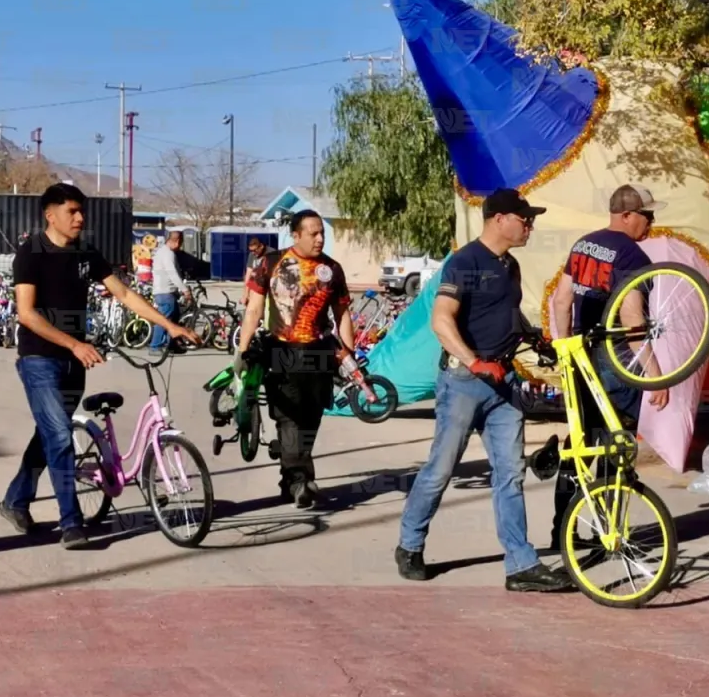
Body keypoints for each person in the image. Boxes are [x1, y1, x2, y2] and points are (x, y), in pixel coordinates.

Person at [0, 183, 201, 549]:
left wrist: (169, 325)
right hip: (39, 358)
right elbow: (26, 314)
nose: (80, 218)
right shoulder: (31, 253)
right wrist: (75, 344)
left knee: (48, 436)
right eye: (72, 211)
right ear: (51, 214)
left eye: (81, 211)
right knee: (60, 436)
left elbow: (123, 294)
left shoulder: (86, 253)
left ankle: (15, 500)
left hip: (74, 362)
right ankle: (72, 523)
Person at [395, 188, 573, 593]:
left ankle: (521, 565)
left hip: (502, 385)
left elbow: (505, 316)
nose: (530, 225)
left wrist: (533, 339)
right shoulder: (465, 262)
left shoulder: (509, 266)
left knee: (510, 474)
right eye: (524, 218)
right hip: (463, 382)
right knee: (440, 470)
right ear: (498, 219)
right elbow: (442, 321)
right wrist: (475, 361)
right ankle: (409, 544)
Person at [548, 184, 668, 547]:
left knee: (581, 441)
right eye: (648, 216)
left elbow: (561, 301)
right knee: (617, 442)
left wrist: (566, 348)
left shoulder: (583, 244)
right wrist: (656, 375)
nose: (651, 223)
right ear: (628, 215)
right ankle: (610, 531)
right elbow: (632, 322)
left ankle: (563, 531)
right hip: (615, 357)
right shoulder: (633, 257)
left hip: (581, 352)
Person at [236, 210, 356, 509]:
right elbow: (253, 309)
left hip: (318, 353)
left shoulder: (332, 269)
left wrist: (348, 353)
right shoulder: (271, 263)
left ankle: (290, 477)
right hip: (281, 351)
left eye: (322, 233)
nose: (319, 238)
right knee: (289, 418)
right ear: (296, 235)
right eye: (313, 233)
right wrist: (242, 349)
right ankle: (301, 480)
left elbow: (342, 314)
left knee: (310, 418)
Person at [150, 230, 185, 351]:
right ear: (177, 241)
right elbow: (173, 274)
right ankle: (155, 346)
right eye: (181, 243)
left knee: (174, 318)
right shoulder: (168, 254)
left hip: (164, 291)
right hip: (165, 292)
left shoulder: (163, 252)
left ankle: (172, 344)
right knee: (164, 319)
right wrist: (184, 289)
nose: (180, 246)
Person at [241, 237, 267, 306]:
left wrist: (255, 273)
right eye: (251, 251)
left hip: (265, 287)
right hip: (255, 285)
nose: (253, 253)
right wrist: (245, 294)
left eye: (255, 250)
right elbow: (248, 274)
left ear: (261, 246)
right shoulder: (252, 255)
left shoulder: (270, 254)